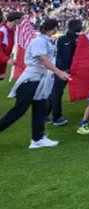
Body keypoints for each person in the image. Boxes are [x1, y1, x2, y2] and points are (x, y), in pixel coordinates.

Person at [0, 19, 70, 149]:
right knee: (18, 111)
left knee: (41, 108)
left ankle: (38, 139)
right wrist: (59, 72)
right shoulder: (40, 41)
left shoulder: (45, 40)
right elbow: (43, 59)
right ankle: (37, 138)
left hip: (40, 79)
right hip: (32, 79)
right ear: (54, 28)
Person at [49, 19, 81, 126]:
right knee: (57, 92)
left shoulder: (78, 39)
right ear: (73, 26)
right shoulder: (62, 39)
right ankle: (56, 117)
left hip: (72, 70)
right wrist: (61, 69)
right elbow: (57, 55)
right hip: (62, 71)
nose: (81, 27)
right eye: (79, 25)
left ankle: (46, 114)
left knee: (57, 92)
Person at [0, 12, 23, 81]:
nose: (22, 21)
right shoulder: (2, 31)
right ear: (16, 20)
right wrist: (7, 59)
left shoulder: (11, 30)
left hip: (2, 61)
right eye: (21, 19)